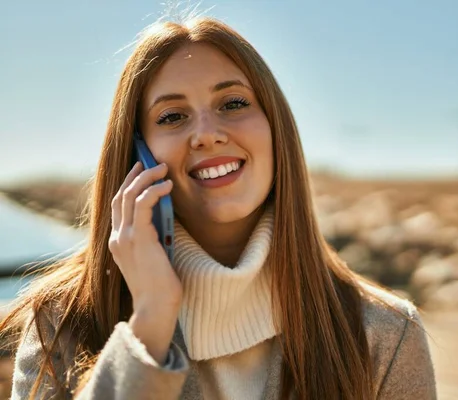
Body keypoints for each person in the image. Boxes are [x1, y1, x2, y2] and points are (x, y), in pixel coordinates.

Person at [1, 16, 436, 400]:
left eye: (233, 104)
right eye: (172, 116)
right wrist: (150, 321)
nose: (207, 134)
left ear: (276, 128)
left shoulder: (384, 334)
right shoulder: (59, 322)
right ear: (138, 155)